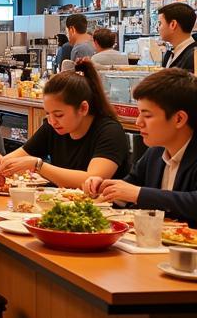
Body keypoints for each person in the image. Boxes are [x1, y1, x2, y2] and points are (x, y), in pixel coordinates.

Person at [0, 60, 129, 188]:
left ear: (83, 108)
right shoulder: (52, 127)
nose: (52, 121)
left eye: (59, 115)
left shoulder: (110, 132)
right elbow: (19, 156)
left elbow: (91, 180)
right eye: (48, 114)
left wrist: (38, 166)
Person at [84, 69, 197, 221]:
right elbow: (130, 185)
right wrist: (104, 188)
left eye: (147, 115)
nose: (138, 122)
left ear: (179, 119)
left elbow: (193, 202)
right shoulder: (155, 153)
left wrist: (138, 194)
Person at [158, 2, 197, 71]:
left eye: (160, 23)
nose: (158, 28)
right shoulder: (171, 53)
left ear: (173, 24)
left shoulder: (193, 57)